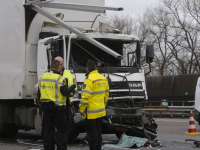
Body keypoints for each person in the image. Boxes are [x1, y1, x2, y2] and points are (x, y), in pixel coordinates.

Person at [38, 60, 77, 150]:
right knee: (61, 130)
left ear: (51, 67)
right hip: (58, 109)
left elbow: (39, 93)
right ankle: (61, 147)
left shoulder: (42, 77)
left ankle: (48, 147)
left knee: (48, 130)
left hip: (46, 108)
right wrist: (74, 85)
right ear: (59, 68)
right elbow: (65, 92)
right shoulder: (60, 78)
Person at [79, 61, 109, 150]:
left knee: (92, 134)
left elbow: (85, 97)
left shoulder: (89, 80)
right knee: (98, 132)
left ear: (87, 69)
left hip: (91, 112)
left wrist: (81, 109)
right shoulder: (103, 79)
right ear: (96, 68)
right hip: (101, 111)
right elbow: (106, 95)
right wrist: (103, 105)